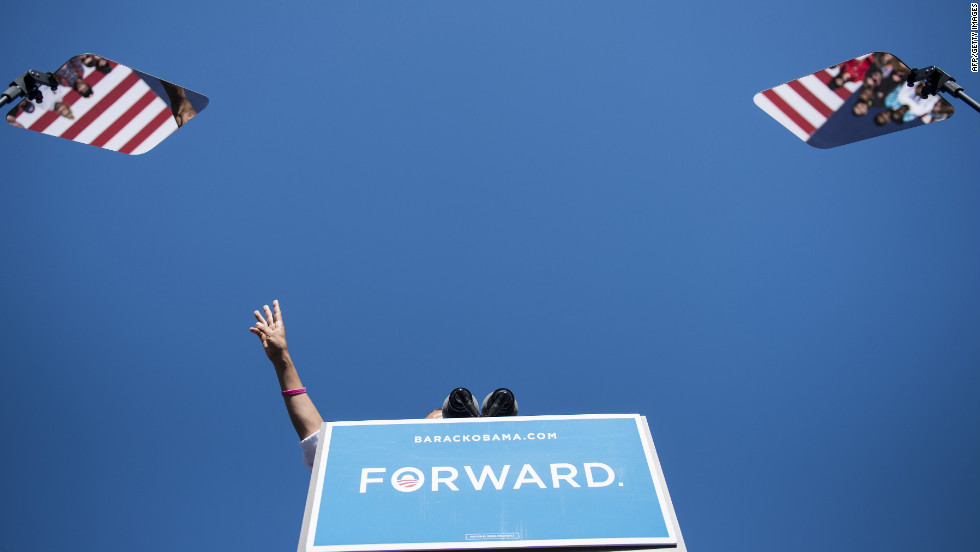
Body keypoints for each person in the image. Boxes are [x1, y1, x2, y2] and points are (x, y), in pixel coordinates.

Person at [249, 300, 442, 470]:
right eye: (435, 426)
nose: (443, 432)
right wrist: (282, 360)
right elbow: (319, 444)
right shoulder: (386, 472)